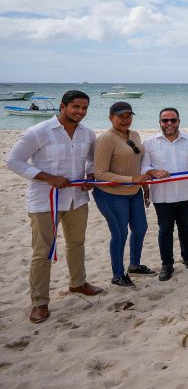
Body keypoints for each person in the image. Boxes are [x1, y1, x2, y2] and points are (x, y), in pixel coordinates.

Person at [6, 90, 104, 323]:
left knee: (77, 243)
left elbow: (92, 158)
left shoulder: (88, 133)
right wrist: (47, 177)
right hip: (44, 201)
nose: (80, 112)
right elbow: (13, 162)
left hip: (77, 199)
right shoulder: (38, 132)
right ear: (63, 106)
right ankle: (39, 302)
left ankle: (78, 284)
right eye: (76, 107)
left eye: (84, 108)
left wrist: (90, 174)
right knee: (43, 252)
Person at [92, 101, 155, 287]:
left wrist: (143, 187)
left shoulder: (134, 134)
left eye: (128, 116)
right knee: (119, 234)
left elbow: (137, 164)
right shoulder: (105, 139)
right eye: (120, 116)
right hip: (110, 193)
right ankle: (117, 274)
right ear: (111, 117)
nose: (125, 120)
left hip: (134, 191)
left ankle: (134, 266)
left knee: (141, 228)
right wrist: (132, 179)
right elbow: (100, 173)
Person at [140, 108, 188, 281]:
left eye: (173, 120)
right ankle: (167, 264)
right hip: (162, 196)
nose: (169, 124)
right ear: (160, 122)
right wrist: (153, 172)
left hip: (186, 194)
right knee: (165, 231)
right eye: (165, 120)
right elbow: (143, 167)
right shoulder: (149, 143)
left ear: (179, 121)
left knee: (186, 228)